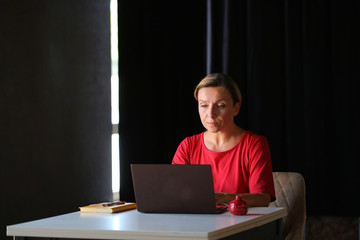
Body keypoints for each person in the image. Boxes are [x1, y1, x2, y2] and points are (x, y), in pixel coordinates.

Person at [172, 73, 275, 207]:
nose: (210, 114)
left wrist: (224, 197)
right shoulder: (188, 146)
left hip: (240, 225)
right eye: (203, 105)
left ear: (236, 108)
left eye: (220, 105)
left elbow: (263, 199)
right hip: (196, 225)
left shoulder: (254, 144)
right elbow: (174, 195)